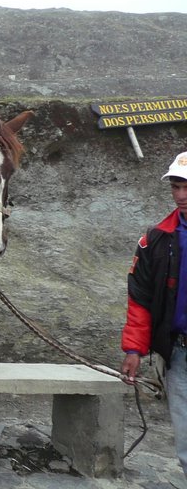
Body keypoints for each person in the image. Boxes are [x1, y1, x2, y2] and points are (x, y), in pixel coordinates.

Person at [121, 150, 187, 476]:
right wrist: (134, 349)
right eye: (176, 187)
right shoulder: (156, 240)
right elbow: (140, 299)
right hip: (179, 354)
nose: (181, 195)